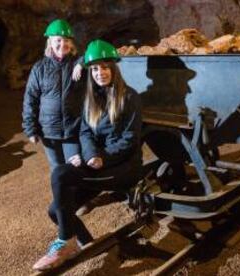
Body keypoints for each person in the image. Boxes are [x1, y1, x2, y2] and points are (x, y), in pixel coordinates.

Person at [33, 39, 143, 271]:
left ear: (114, 68)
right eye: (94, 68)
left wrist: (102, 158)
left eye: (104, 67)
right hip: (99, 162)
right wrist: (87, 155)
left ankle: (65, 241)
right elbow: (85, 131)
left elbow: (129, 140)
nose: (100, 73)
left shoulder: (130, 97)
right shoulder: (92, 98)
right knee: (55, 210)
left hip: (124, 168)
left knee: (61, 174)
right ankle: (89, 244)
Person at [22, 19, 85, 171]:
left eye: (66, 40)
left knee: (74, 168)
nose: (63, 44)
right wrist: (31, 129)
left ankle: (75, 195)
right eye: (58, 40)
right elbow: (30, 99)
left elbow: (95, 51)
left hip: (73, 129)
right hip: (48, 131)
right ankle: (60, 196)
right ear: (50, 42)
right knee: (56, 169)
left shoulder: (77, 65)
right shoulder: (39, 68)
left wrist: (82, 62)